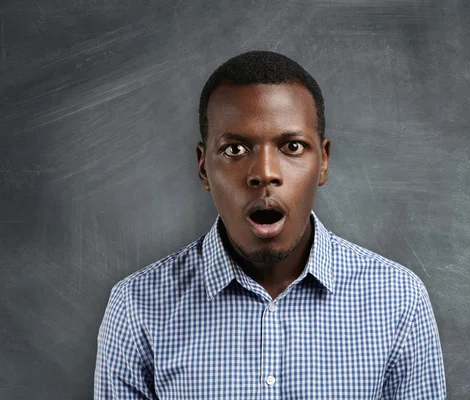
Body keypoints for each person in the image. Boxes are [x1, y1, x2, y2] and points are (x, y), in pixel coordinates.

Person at [94, 50, 446, 399]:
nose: (264, 173)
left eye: (292, 146)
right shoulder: (137, 307)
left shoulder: (398, 300)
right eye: (235, 150)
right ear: (204, 168)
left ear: (323, 162)